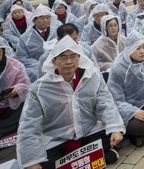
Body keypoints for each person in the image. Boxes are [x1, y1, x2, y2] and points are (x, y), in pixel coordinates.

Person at [16, 35, 124, 169]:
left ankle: (84, 160)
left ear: (80, 58)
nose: (69, 61)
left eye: (73, 56)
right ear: (54, 61)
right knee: (36, 163)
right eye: (63, 57)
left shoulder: (92, 76)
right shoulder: (39, 88)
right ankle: (100, 157)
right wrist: (32, 160)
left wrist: (114, 128)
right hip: (57, 140)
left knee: (116, 132)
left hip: (87, 132)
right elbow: (29, 125)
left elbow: (106, 103)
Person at [0, 36, 30, 157]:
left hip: (10, 109)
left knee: (27, 109)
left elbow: (25, 84)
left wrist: (15, 91)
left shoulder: (14, 65)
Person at [15, 4, 58, 82]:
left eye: (48, 17)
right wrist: (39, 64)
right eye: (42, 18)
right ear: (34, 20)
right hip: (35, 69)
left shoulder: (57, 32)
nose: (45, 20)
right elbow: (21, 57)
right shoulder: (25, 38)